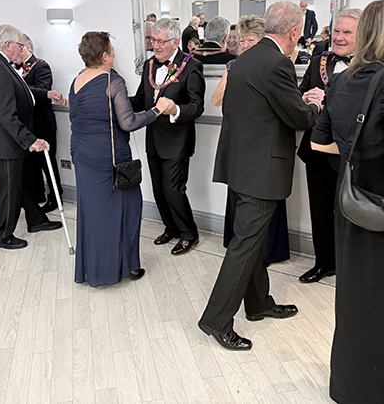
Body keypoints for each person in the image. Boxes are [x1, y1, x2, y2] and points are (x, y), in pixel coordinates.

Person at [311, 0, 384, 404]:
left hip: (350, 199)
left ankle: (346, 387)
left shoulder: (341, 80)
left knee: (353, 297)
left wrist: (353, 151)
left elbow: (318, 142)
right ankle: (376, 393)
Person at [199, 1, 320, 350]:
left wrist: (297, 99)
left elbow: (260, 107)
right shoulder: (278, 63)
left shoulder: (243, 59)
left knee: (253, 242)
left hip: (240, 165)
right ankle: (216, 319)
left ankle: (257, 304)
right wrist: (314, 104)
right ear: (294, 32)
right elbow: (298, 117)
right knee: (245, 246)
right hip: (260, 171)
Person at [70, 32, 173, 286]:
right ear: (105, 56)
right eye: (112, 50)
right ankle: (127, 266)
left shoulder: (77, 80)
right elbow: (128, 123)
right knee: (128, 208)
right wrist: (157, 110)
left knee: (93, 212)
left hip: (82, 153)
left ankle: (94, 270)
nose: (115, 54)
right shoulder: (112, 81)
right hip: (109, 157)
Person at [212, 15, 290, 265]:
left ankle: (264, 258)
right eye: (241, 40)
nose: (245, 44)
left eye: (250, 40)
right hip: (241, 149)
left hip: (263, 151)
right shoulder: (233, 66)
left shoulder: (276, 62)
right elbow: (215, 100)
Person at [0, 24, 61, 249]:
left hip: (4, 140)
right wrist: (30, 139)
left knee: (18, 184)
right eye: (20, 45)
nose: (22, 50)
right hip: (2, 142)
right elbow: (5, 113)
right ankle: (1, 236)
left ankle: (36, 219)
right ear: (8, 45)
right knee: (8, 190)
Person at [130, 18, 205, 255]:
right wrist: (117, 99)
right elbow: (142, 99)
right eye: (153, 40)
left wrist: (175, 109)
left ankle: (189, 234)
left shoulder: (191, 65)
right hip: (153, 139)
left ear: (175, 42)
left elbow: (197, 106)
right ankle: (170, 227)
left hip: (177, 140)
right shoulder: (149, 65)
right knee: (158, 190)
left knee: (173, 189)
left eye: (161, 41)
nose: (156, 45)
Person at [297, 8, 362, 283]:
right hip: (316, 149)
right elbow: (299, 95)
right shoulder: (318, 60)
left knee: (353, 210)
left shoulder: (371, 65)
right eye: (336, 31)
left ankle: (353, 267)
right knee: (320, 209)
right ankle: (324, 262)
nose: (339, 37)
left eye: (347, 32)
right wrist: (305, 99)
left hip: (352, 152)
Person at [18, 34, 63, 213]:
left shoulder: (41, 66)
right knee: (30, 164)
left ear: (28, 47)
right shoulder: (13, 67)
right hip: (26, 125)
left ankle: (55, 197)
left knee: (48, 162)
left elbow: (43, 91)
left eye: (20, 47)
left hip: (42, 123)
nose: (17, 51)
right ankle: (37, 195)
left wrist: (19, 87)